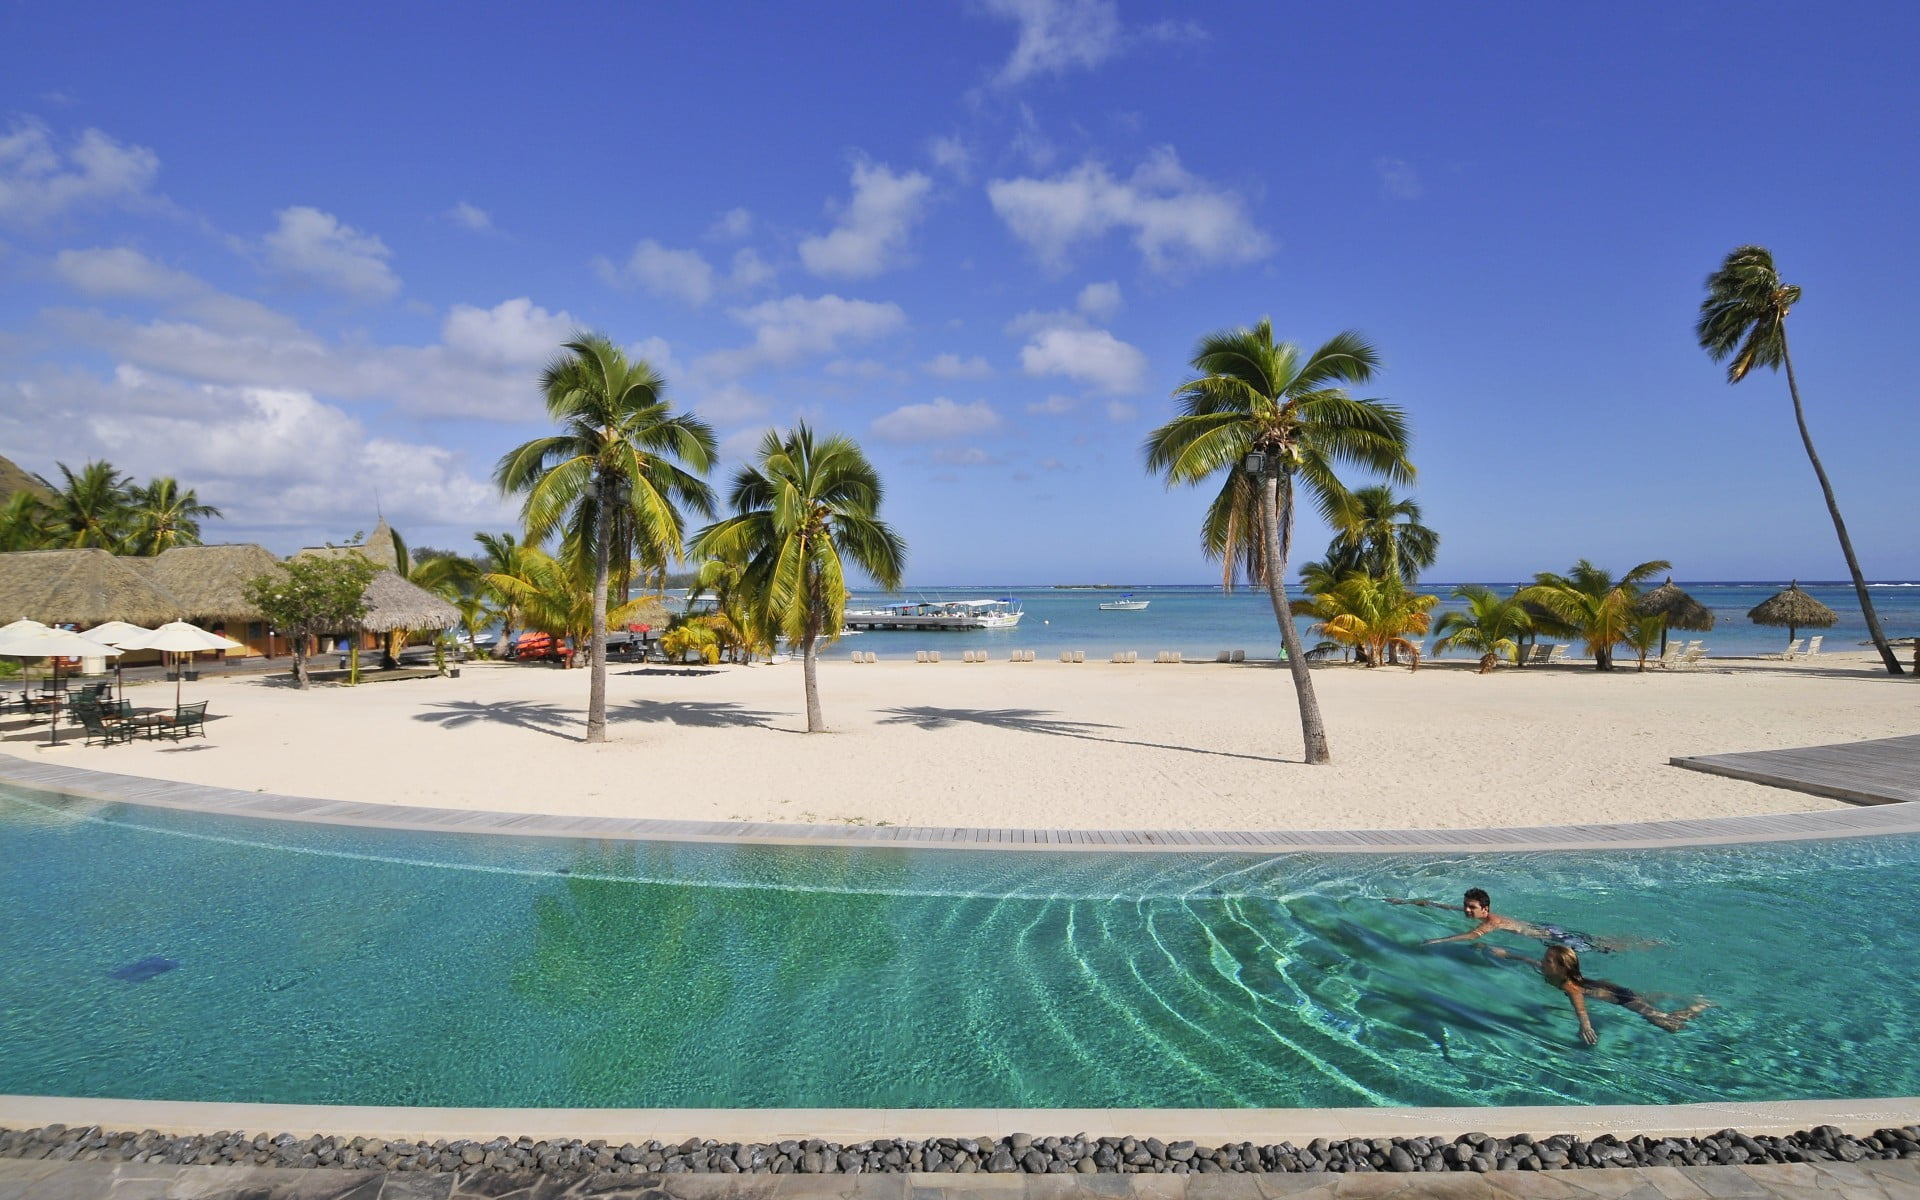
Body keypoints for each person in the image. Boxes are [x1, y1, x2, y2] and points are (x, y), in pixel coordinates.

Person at [1489, 945, 1709, 1045]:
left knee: (1669, 1025)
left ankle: (1696, 1007)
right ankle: (1683, 999)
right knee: (1644, 996)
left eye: (1547, 960)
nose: (1542, 961)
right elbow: (1530, 961)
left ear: (1561, 969)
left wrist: (1585, 1026)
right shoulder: (1553, 973)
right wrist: (1507, 954)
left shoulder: (1569, 986)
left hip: (1621, 999)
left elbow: (1580, 1006)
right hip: (1608, 988)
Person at [1387, 887, 1629, 953]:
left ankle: (1636, 943)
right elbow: (1445, 906)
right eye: (1466, 907)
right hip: (1547, 931)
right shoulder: (1477, 913)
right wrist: (1413, 902)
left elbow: (1472, 935)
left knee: (1602, 948)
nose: (1467, 912)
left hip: (1554, 938)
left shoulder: (1492, 922)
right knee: (1599, 943)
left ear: (1485, 908)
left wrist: (1438, 941)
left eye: (1472, 908)